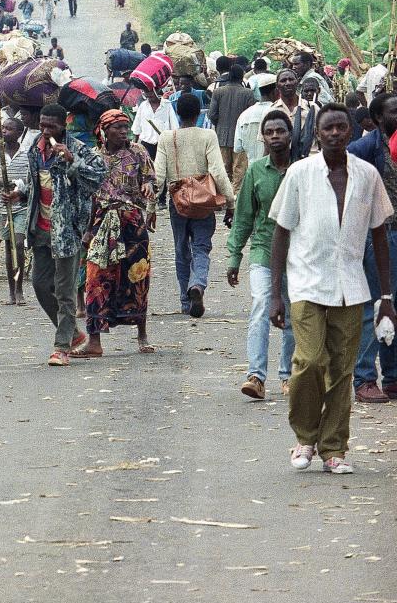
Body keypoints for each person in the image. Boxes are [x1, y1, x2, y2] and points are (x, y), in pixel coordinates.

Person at [270, 103, 395, 474]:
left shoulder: (368, 175)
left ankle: (334, 448)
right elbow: (281, 231)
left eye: (342, 127)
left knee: (342, 371)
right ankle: (305, 438)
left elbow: (380, 236)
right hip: (307, 283)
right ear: (317, 134)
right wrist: (275, 293)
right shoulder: (300, 173)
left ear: (352, 131)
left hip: (352, 288)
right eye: (329, 128)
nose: (336, 133)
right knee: (308, 362)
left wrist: (386, 297)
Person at [23, 103, 106, 366]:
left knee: (65, 291)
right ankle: (71, 334)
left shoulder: (78, 149)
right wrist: (19, 192)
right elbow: (34, 184)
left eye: (52, 126)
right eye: (43, 125)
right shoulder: (35, 149)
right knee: (39, 284)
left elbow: (97, 179)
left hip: (67, 231)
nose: (47, 130)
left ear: (64, 125)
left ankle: (61, 348)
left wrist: (73, 162)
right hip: (41, 228)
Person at [74, 111, 155, 358]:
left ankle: (142, 334)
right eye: (118, 127)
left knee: (137, 276)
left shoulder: (138, 152)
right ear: (104, 131)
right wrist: (88, 230)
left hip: (132, 221)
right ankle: (94, 341)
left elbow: (151, 178)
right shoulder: (95, 159)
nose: (123, 131)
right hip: (102, 222)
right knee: (96, 279)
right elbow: (89, 197)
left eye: (126, 127)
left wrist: (149, 186)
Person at [227, 111, 295, 401]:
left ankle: (289, 375)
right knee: (260, 308)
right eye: (270, 132)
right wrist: (234, 256)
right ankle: (256, 376)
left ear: (290, 134)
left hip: (298, 256)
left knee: (294, 314)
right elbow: (243, 216)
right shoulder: (256, 170)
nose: (275, 136)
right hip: (263, 251)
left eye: (280, 130)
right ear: (263, 137)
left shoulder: (302, 168)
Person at [155, 93, 235, 317]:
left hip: (178, 202)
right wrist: (230, 202)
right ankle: (197, 284)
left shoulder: (166, 138)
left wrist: (151, 208)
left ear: (177, 112)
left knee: (181, 249)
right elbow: (218, 171)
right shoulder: (207, 135)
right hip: (203, 201)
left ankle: (184, 301)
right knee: (201, 247)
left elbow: (159, 176)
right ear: (199, 111)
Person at [347, 91, 397, 403]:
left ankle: (392, 377)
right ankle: (364, 378)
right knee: (375, 305)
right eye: (394, 111)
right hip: (379, 235)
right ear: (378, 118)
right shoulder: (367, 146)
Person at [0, 117, 29, 305]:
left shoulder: (27, 153)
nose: (5, 132)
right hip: (3, 208)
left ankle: (20, 289)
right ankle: (11, 290)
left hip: (22, 206)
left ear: (19, 133)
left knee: (18, 244)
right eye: (3, 129)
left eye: (9, 129)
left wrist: (20, 190)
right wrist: (0, 183)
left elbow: (32, 181)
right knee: (9, 248)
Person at [131, 83, 178, 206]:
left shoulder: (167, 105)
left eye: (151, 92)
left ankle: (161, 199)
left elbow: (174, 125)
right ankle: (147, 197)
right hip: (146, 143)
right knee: (146, 171)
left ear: (157, 91)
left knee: (162, 171)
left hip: (162, 143)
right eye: (146, 92)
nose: (148, 95)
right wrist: (134, 145)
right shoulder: (143, 106)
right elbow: (137, 128)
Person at [207, 64, 255, 181]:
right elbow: (251, 115)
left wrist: (219, 124)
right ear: (241, 77)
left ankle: (225, 196)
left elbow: (212, 114)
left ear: (228, 77)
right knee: (239, 170)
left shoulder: (218, 92)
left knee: (223, 170)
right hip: (242, 138)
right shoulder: (248, 93)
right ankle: (236, 195)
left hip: (222, 137)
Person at [232, 73, 277, 191]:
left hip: (251, 172)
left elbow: (238, 148)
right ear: (275, 91)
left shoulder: (244, 115)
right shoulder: (278, 112)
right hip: (274, 172)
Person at [269, 68, 316, 162]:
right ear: (277, 85)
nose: (287, 83)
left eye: (291, 79)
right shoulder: (271, 111)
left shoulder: (312, 109)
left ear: (297, 82)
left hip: (311, 163)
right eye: (283, 80)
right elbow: (267, 146)